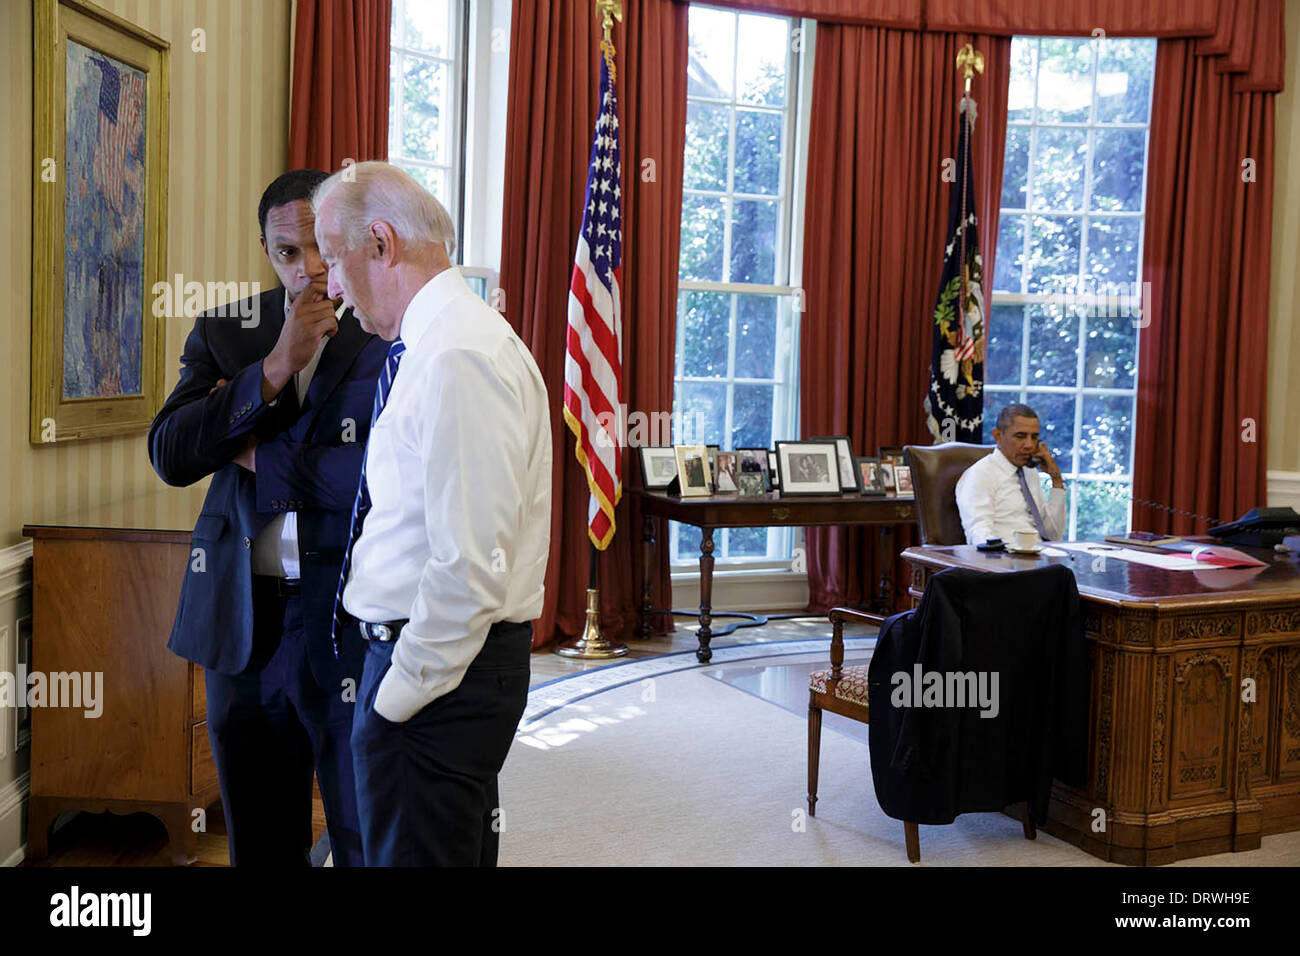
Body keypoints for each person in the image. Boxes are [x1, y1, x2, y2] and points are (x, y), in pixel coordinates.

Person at [313, 161, 552, 867]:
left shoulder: (457, 355)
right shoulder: (439, 343)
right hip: (441, 670)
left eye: (333, 258)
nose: (329, 286)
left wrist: (396, 699)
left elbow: (471, 566)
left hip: (438, 679)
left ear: (380, 244)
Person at [149, 169, 388, 866]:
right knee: (259, 845)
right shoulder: (230, 333)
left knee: (360, 838)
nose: (308, 267)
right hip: (243, 626)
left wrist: (260, 452)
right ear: (266, 251)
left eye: (319, 245)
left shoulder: (389, 331)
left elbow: (381, 477)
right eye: (287, 252)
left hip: (350, 622)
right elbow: (171, 452)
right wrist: (276, 368)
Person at [954, 403, 1068, 545]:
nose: (1029, 445)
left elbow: (1054, 535)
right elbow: (978, 533)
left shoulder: (1029, 472)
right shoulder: (980, 474)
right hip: (1004, 558)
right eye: (1020, 436)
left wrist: (1056, 478)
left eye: (1034, 437)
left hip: (1039, 556)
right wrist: (1002, 554)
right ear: (997, 436)